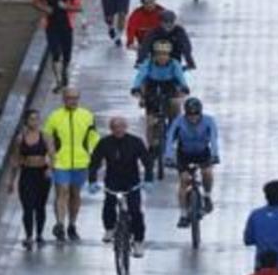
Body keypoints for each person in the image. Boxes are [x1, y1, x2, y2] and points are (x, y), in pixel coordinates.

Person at [88, 116, 154, 256]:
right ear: (111, 129)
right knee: (109, 205)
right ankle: (110, 229)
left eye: (121, 127)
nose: (118, 130)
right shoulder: (105, 143)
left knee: (135, 212)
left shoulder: (135, 142)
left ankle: (138, 242)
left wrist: (148, 179)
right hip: (112, 182)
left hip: (132, 183)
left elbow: (147, 161)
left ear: (126, 127)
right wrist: (92, 181)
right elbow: (94, 162)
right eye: (115, 127)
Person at [42, 88, 100, 242]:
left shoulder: (87, 116)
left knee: (75, 194)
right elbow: (47, 138)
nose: (72, 101)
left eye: (75, 98)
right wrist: (50, 157)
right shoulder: (55, 116)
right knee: (62, 191)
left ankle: (72, 224)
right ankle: (60, 224)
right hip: (60, 161)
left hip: (81, 161)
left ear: (79, 98)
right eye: (69, 98)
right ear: (63, 99)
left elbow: (93, 137)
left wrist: (94, 155)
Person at [165, 97, 220, 227]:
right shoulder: (179, 122)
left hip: (202, 153)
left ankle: (207, 196)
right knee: (184, 181)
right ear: (186, 114)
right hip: (184, 154)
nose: (193, 118)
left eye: (196, 115)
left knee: (207, 173)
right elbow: (169, 139)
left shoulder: (209, 121)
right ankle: (183, 214)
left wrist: (215, 155)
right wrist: (168, 156)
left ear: (201, 113)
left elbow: (213, 138)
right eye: (190, 115)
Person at [131, 40, 191, 147]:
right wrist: (136, 88)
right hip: (152, 89)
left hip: (170, 88)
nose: (162, 57)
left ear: (169, 54)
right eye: (159, 54)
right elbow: (140, 77)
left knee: (175, 105)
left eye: (165, 54)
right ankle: (151, 146)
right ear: (154, 54)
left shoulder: (174, 64)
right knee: (150, 122)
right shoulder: (148, 63)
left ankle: (173, 130)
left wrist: (184, 87)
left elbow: (181, 78)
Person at [32, 0, 82, 92]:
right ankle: (59, 81)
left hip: (66, 27)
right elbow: (34, 2)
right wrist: (45, 9)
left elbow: (79, 7)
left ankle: (65, 71)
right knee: (55, 54)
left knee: (66, 56)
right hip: (51, 27)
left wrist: (66, 7)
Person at [8, 109, 52, 249]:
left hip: (42, 174)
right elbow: (16, 159)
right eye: (32, 119)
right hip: (27, 174)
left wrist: (50, 169)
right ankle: (28, 236)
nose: (35, 121)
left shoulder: (45, 136)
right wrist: (11, 180)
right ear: (26, 121)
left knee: (40, 206)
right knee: (27, 207)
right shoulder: (20, 138)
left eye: (37, 119)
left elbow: (53, 155)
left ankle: (39, 234)